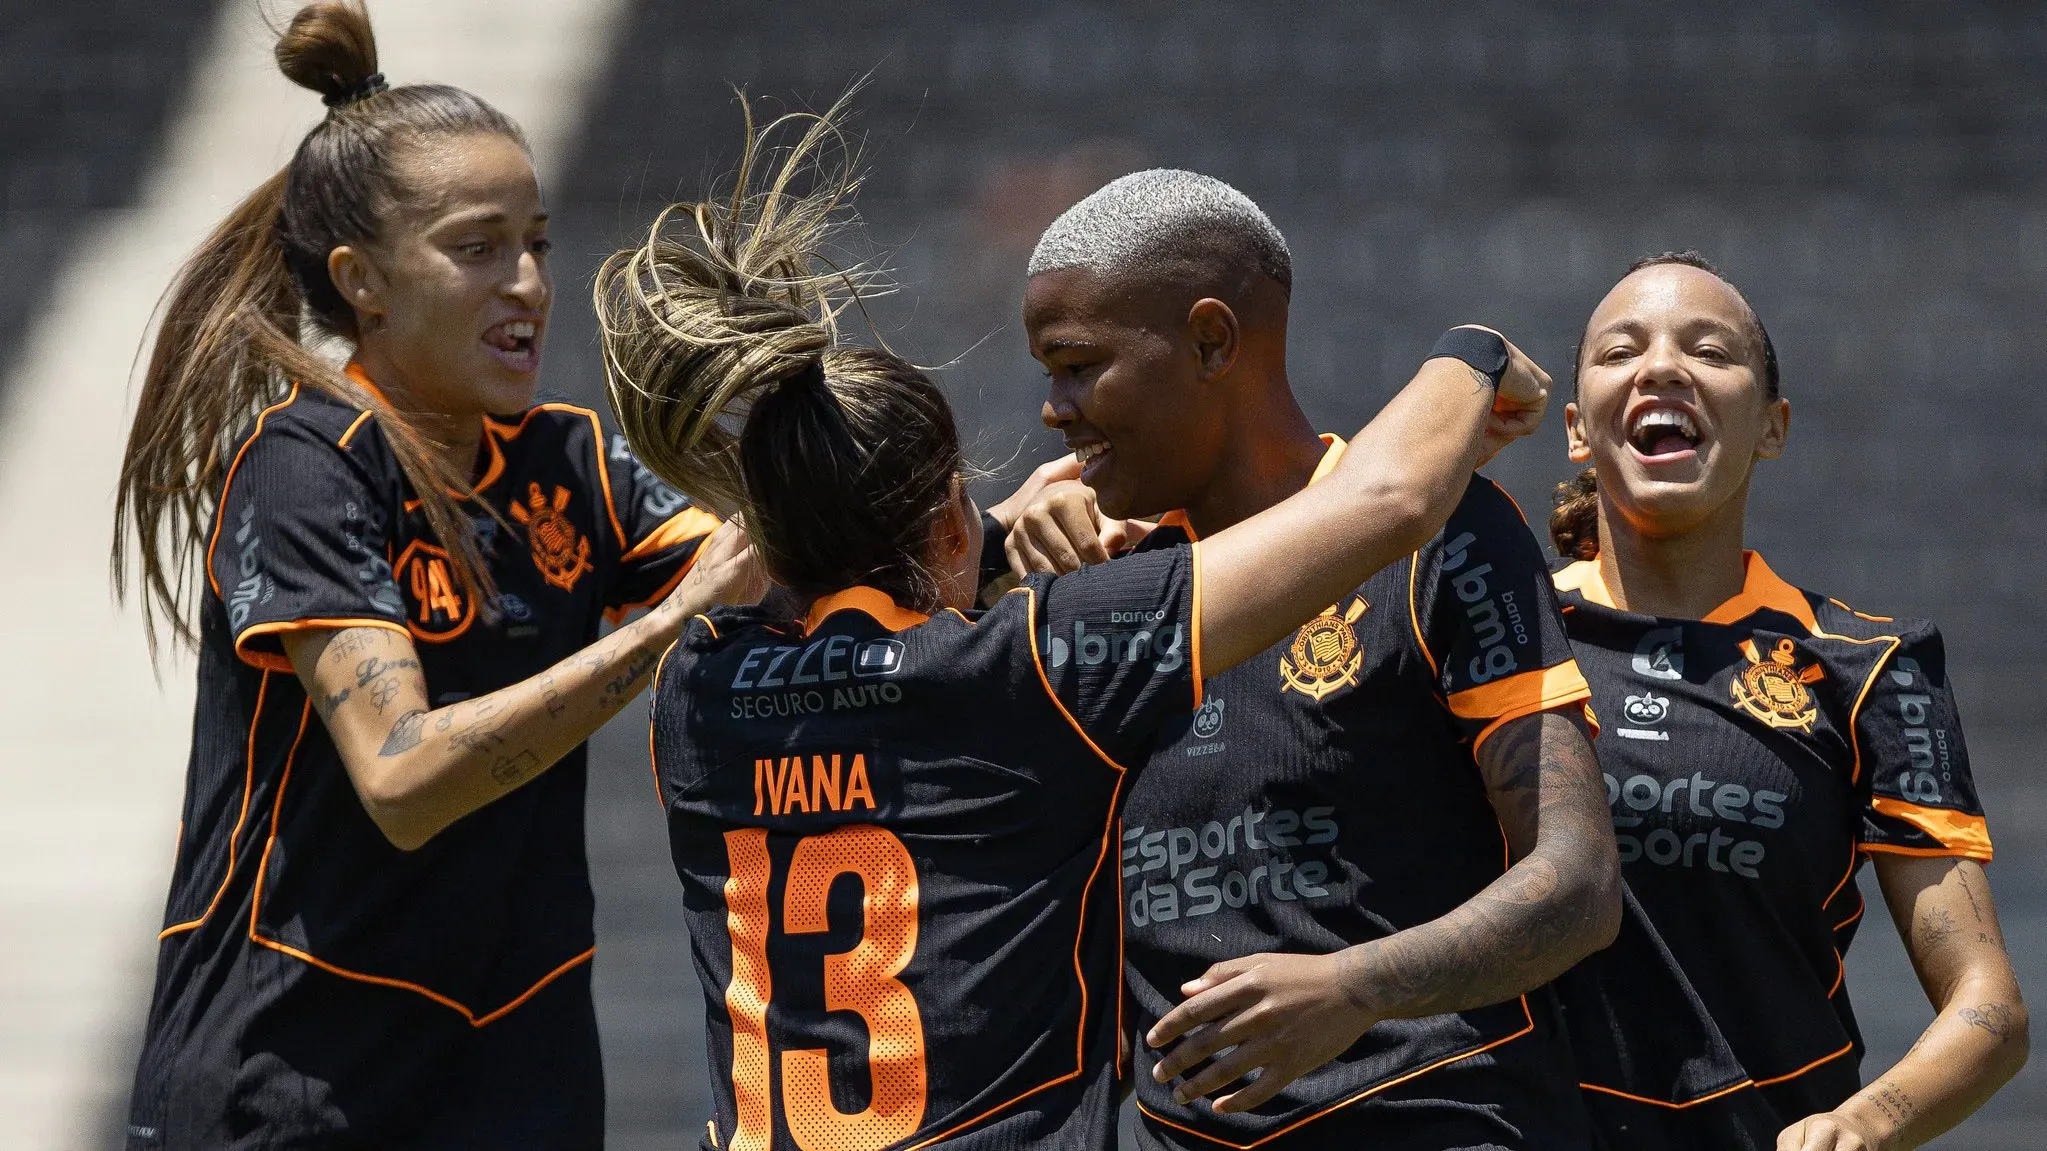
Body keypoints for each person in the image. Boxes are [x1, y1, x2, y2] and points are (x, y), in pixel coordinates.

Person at [594, 98, 1556, 1151]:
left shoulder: (694, 691)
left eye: (1073, 365)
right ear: (948, 522)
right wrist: (1471, 353)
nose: (1053, 409)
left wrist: (987, 536)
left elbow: (832, 605)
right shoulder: (1035, 661)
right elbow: (1388, 498)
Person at [111, 4, 751, 1146]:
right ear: (362, 280)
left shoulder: (566, 460)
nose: (528, 283)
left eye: (537, 243)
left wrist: (1002, 534)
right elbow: (402, 776)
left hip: (517, 1078)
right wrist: (661, 633)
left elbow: (775, 570)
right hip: (293, 1080)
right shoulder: (307, 463)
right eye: (478, 248)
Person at [994, 170, 1622, 1150]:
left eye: (1077, 366)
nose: (1052, 408)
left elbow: (1578, 885)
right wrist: (995, 547)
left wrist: (1353, 986)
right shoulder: (1090, 582)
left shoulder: (1442, 535)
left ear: (1211, 340)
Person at [1546, 251, 2027, 1151]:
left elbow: (1989, 1008)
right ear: (1576, 428)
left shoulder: (1870, 667)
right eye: (1620, 351)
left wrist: (1861, 1124)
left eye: (1707, 350)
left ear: (1772, 426)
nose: (1660, 367)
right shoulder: (1492, 638)